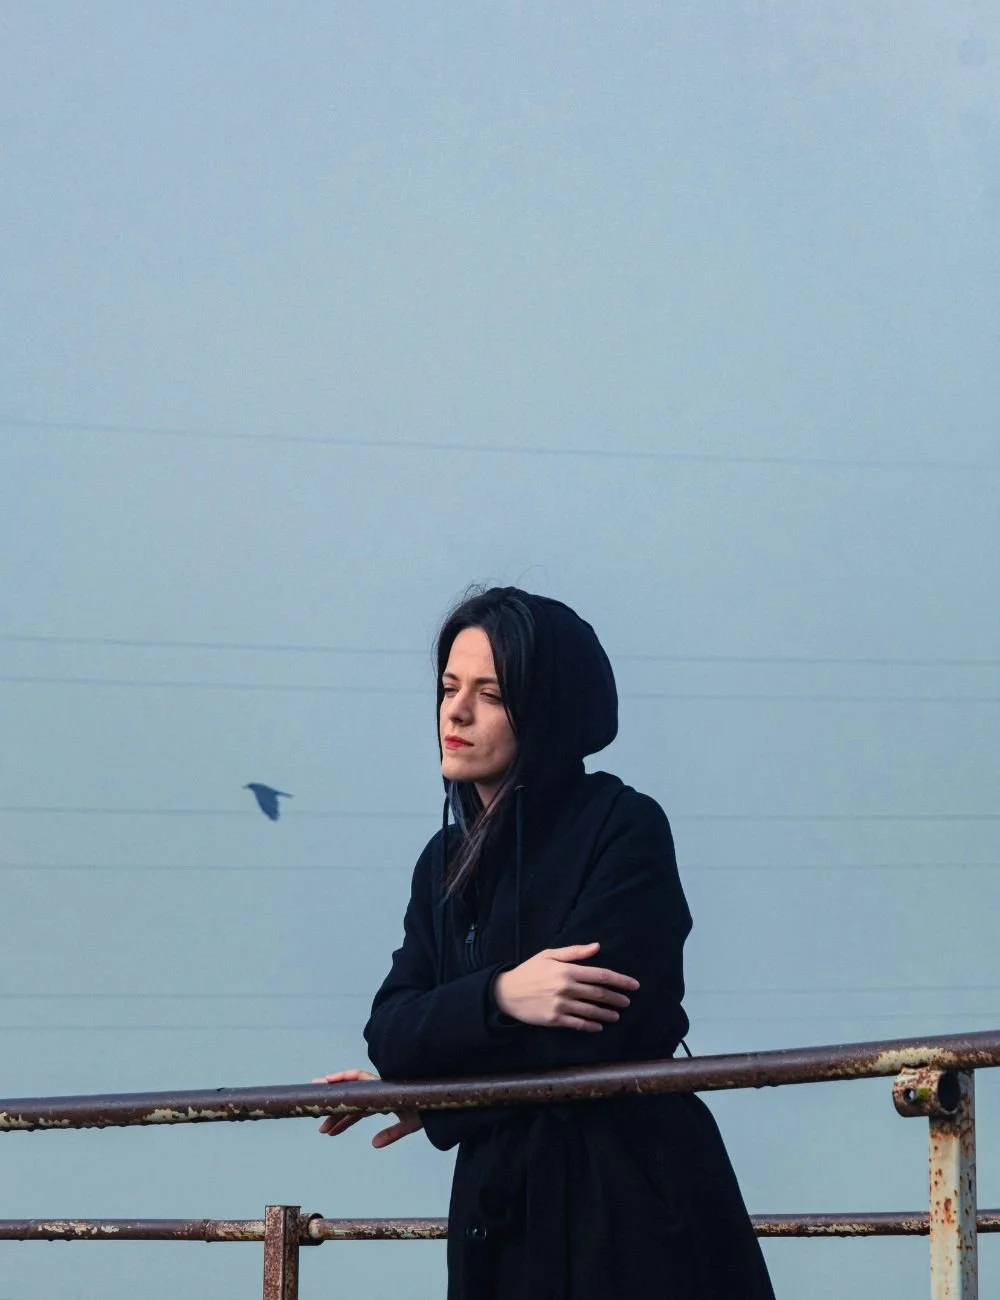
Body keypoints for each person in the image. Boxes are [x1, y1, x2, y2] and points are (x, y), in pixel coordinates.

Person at [314, 586, 775, 1299]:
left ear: (547, 708)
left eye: (490, 694)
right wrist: (504, 996)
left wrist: (443, 1092)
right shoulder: (444, 861)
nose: (455, 712)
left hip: (633, 1207)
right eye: (448, 687)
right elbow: (391, 1032)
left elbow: (593, 1038)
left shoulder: (623, 827)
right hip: (500, 1218)